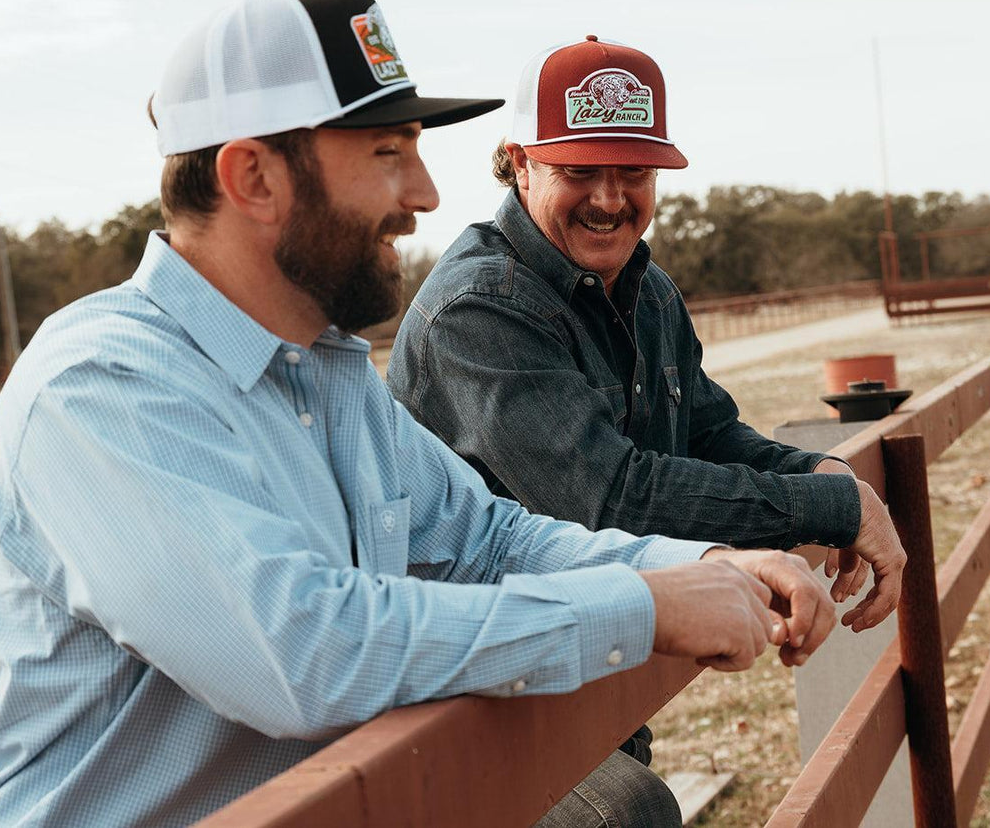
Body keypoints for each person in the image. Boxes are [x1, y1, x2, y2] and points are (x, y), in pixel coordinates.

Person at [0, 0, 838, 828]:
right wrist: (644, 607)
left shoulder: (326, 372)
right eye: (387, 153)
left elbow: (488, 539)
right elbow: (305, 650)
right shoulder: (105, 387)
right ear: (254, 177)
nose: (423, 194)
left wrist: (703, 561)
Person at [387, 35, 907, 634]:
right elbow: (611, 502)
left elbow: (707, 433)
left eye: (634, 170)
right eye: (580, 170)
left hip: (589, 655)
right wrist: (831, 509)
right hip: (480, 682)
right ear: (522, 164)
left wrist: (819, 473)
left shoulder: (648, 288)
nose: (609, 200)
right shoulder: (479, 310)